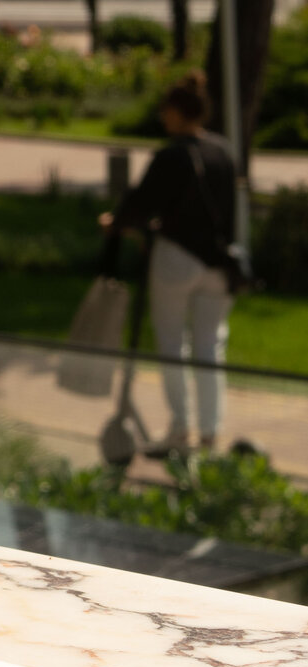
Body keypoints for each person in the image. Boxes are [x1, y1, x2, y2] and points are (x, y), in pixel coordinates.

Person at [105, 75, 239, 451]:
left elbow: (141, 202)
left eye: (166, 109)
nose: (163, 116)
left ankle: (181, 428)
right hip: (217, 263)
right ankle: (210, 432)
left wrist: (116, 223)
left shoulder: (172, 156)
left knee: (171, 343)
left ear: (179, 112)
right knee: (211, 347)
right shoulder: (223, 152)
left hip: (177, 259)